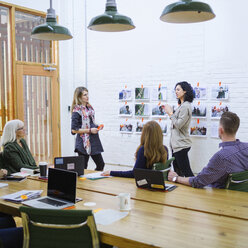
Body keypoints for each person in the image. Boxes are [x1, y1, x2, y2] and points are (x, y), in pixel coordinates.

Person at [168, 112, 248, 188]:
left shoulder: (221, 157)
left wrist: (176, 178)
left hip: (218, 198)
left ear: (220, 130)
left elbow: (198, 182)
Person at [102, 121, 168, 178]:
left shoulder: (144, 150)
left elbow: (134, 173)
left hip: (145, 186)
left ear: (145, 134)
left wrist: (111, 172)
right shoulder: (164, 149)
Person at [164, 81, 194, 177]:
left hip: (181, 145)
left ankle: (194, 190)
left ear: (185, 91)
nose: (176, 92)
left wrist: (170, 113)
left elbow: (178, 124)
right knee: (178, 173)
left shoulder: (185, 106)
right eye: (175, 90)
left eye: (178, 89)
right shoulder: (181, 106)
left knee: (186, 172)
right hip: (176, 145)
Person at [71, 87, 105, 171]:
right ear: (79, 97)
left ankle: (93, 179)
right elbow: (74, 130)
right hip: (83, 142)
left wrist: (97, 126)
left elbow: (90, 122)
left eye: (87, 94)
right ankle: (82, 183)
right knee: (83, 168)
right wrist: (90, 130)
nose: (87, 96)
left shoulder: (89, 107)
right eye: (85, 95)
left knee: (101, 164)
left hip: (93, 140)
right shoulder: (76, 111)